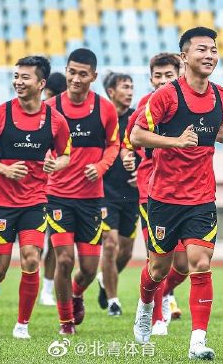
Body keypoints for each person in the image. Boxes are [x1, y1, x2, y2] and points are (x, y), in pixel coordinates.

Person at [130, 27, 223, 360]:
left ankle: (197, 341)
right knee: (158, 270)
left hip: (202, 197)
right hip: (164, 197)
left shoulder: (221, 94)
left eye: (213, 49)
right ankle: (145, 305)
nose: (209, 55)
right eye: (201, 50)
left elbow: (213, 128)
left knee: (200, 262)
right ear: (184, 57)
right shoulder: (166, 95)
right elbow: (137, 135)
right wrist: (175, 142)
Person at [0, 56, 71, 339]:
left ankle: (22, 325)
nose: (18, 81)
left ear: (41, 83)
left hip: (36, 201)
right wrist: (4, 169)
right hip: (2, 204)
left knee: (31, 259)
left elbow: (66, 154)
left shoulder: (56, 120)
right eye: (16, 76)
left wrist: (57, 164)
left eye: (25, 77)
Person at [45, 48, 120, 335]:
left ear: (94, 76)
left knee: (89, 268)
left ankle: (77, 293)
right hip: (58, 196)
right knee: (64, 260)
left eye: (82, 74)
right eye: (71, 72)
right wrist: (46, 160)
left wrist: (101, 166)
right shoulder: (50, 108)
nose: (75, 79)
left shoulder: (105, 109)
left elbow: (114, 144)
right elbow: (41, 143)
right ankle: (66, 323)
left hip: (91, 199)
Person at [123, 53, 188, 336]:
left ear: (179, 74)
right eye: (157, 76)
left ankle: (164, 292)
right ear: (150, 79)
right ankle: (156, 316)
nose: (162, 81)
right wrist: (128, 156)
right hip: (152, 191)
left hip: (187, 191)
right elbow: (129, 140)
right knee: (157, 258)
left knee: (184, 265)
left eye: (168, 76)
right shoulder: (144, 106)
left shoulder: (189, 102)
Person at [95, 72, 138, 317]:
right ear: (111, 91)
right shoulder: (101, 118)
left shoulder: (136, 118)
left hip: (130, 194)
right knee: (109, 245)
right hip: (104, 192)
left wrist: (140, 172)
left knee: (126, 252)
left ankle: (104, 279)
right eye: (125, 86)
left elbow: (145, 150)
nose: (130, 91)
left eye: (132, 86)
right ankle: (113, 300)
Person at [39, 71, 67, 306]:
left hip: (58, 189)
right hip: (41, 188)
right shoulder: (43, 114)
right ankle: (42, 285)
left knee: (53, 242)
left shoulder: (60, 116)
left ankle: (46, 288)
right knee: (40, 241)